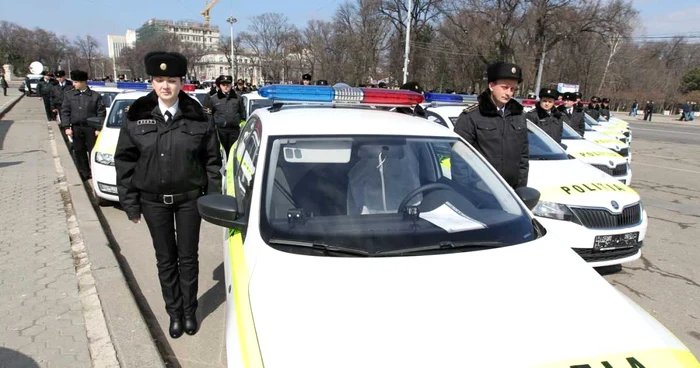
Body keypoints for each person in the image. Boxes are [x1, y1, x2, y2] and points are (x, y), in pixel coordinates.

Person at [114, 51, 222, 339]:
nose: (165, 86)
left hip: (189, 200)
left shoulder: (200, 116)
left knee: (188, 258)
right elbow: (124, 161)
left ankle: (189, 311)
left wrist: (211, 202)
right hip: (153, 202)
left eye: (171, 80)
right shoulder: (136, 115)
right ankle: (173, 313)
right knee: (165, 259)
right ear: (152, 82)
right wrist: (130, 204)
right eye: (159, 80)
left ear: (182, 82)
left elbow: (212, 162)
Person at [453, 62, 528, 189]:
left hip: (511, 190)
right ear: (491, 86)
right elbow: (459, 158)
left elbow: (523, 157)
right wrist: (465, 191)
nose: (509, 93)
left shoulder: (518, 115)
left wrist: (520, 188)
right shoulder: (472, 116)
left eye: (512, 89)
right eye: (504, 87)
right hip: (479, 190)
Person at [60, 70, 105, 180]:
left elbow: (101, 113)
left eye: (76, 82)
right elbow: (65, 111)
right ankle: (84, 172)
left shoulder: (95, 96)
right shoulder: (69, 95)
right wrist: (66, 127)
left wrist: (98, 128)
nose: (73, 84)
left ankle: (94, 171)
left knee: (92, 150)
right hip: (76, 128)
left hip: (90, 128)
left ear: (83, 82)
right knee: (79, 151)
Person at [203, 74, 246, 156]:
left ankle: (231, 167)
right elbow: (208, 115)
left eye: (228, 85)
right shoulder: (214, 99)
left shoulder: (238, 98)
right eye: (223, 85)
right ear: (220, 86)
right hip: (220, 130)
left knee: (234, 151)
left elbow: (242, 113)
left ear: (231, 85)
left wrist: (242, 124)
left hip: (234, 130)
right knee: (220, 152)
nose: (226, 87)